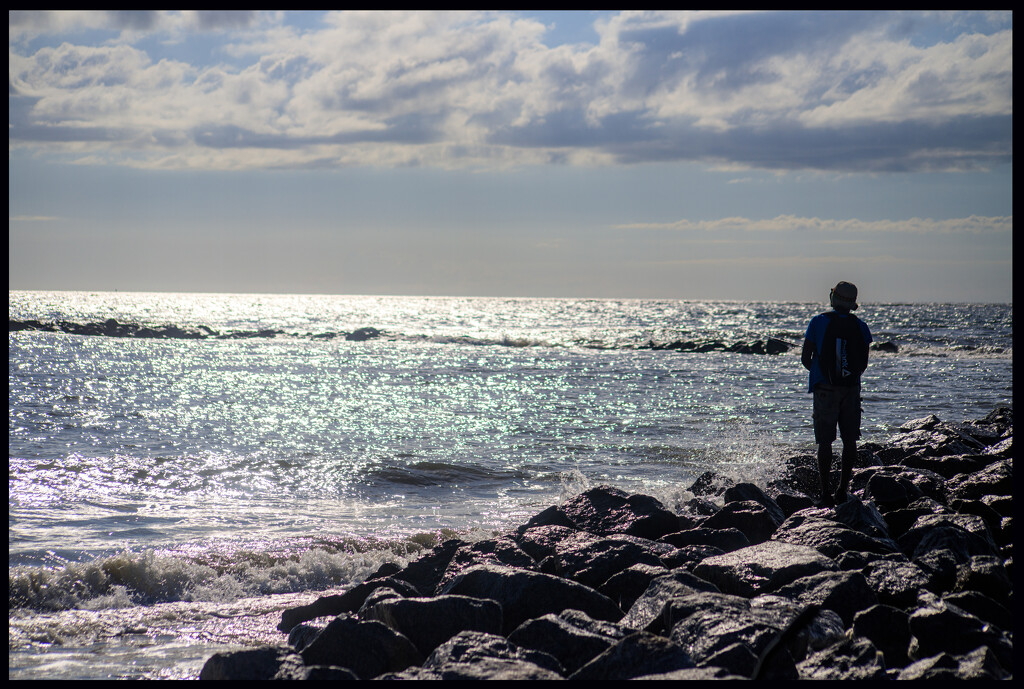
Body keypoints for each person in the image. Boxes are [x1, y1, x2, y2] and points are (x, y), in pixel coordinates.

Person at [801, 281, 872, 506]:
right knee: (849, 440)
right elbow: (863, 363)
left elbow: (805, 359)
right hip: (851, 389)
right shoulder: (861, 326)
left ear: (833, 298)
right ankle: (842, 489)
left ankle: (825, 493)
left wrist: (821, 369)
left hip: (824, 390)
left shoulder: (818, 321)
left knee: (825, 442)